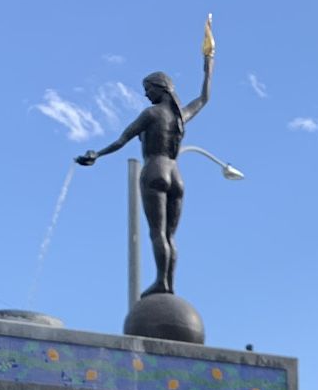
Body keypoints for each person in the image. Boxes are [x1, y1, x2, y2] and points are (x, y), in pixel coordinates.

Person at [75, 16, 215, 298]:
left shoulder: (150, 115)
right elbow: (204, 98)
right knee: (170, 236)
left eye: (148, 88)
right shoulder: (181, 116)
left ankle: (162, 282)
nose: (145, 93)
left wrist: (96, 155)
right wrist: (208, 66)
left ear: (160, 87)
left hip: (155, 171)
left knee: (156, 233)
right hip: (177, 174)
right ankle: (168, 283)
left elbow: (121, 140)